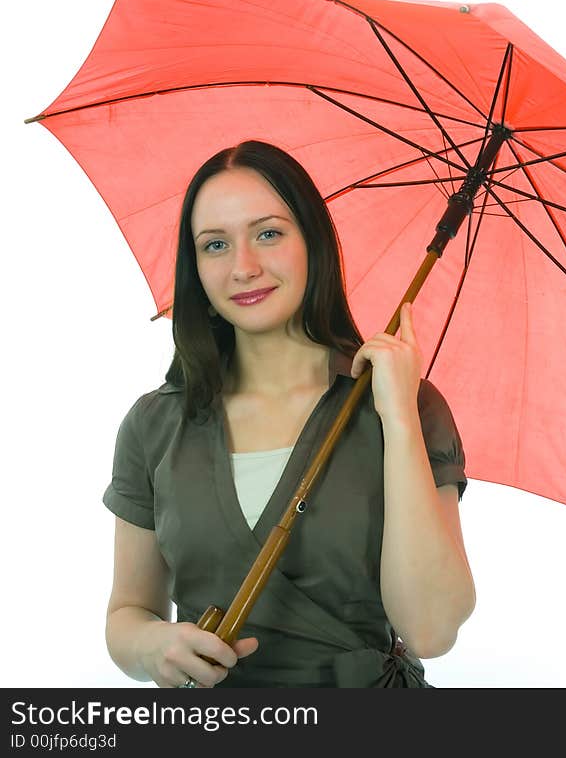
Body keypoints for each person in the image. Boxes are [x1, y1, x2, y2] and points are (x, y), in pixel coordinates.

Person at [103, 140, 476, 688]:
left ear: (313, 244)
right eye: (215, 245)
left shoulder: (405, 404)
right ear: (196, 270)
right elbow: (126, 615)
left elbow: (430, 630)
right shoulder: (154, 426)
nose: (243, 266)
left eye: (269, 233)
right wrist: (151, 644)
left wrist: (397, 418)